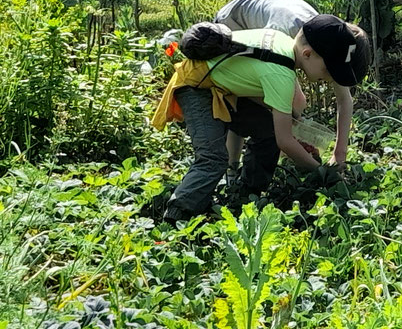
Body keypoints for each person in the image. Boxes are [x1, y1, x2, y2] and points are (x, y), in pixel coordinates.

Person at [150, 14, 369, 222]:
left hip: (221, 88)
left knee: (268, 130)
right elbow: (285, 141)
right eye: (328, 70)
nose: (328, 77)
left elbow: (248, 80)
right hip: (196, 87)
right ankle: (177, 215)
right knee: (213, 159)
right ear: (308, 54)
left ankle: (247, 192)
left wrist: (287, 121)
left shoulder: (283, 44)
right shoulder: (282, 73)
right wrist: (320, 172)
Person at [215, 0, 368, 168]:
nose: (329, 79)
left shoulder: (328, 41)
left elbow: (344, 99)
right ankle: (233, 164)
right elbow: (271, 92)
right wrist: (289, 136)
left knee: (292, 105)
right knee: (247, 98)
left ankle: (281, 152)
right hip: (235, 22)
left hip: (269, 17)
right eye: (331, 74)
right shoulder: (288, 37)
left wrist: (339, 155)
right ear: (307, 53)